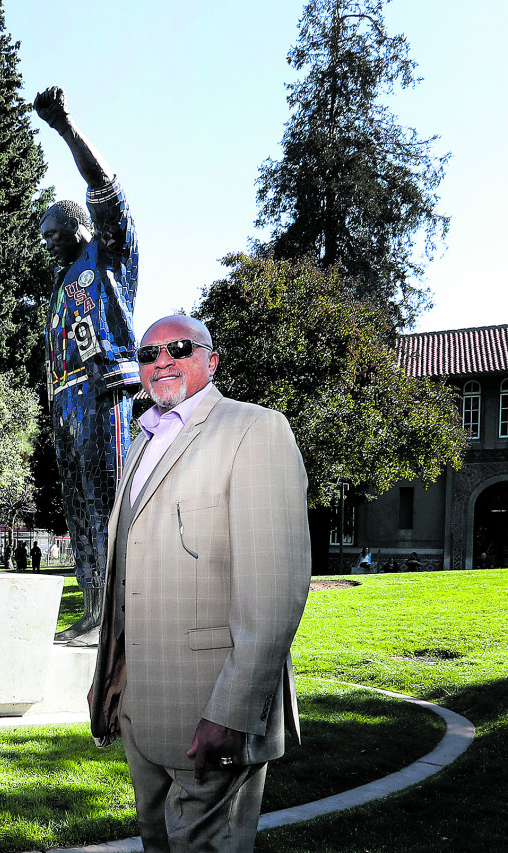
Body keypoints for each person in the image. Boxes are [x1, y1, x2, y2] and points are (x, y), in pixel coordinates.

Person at [89, 314, 311, 853]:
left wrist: (233, 714)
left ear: (211, 361)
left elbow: (275, 592)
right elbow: (127, 575)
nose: (161, 361)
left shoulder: (256, 430)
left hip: (213, 716)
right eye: (148, 354)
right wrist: (111, 677)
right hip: (144, 713)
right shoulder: (143, 442)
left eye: (179, 349)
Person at [33, 86, 141, 646]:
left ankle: (119, 614)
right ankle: (94, 609)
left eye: (55, 231)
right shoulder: (57, 286)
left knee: (108, 503)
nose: (48, 242)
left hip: (103, 392)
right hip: (65, 401)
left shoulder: (108, 254)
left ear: (80, 227)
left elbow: (106, 189)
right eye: (43, 235)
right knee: (79, 511)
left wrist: (66, 128)